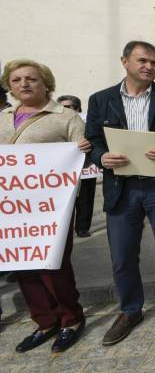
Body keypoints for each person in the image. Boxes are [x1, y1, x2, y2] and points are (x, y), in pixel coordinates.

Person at [86, 41, 155, 346]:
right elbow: (92, 139)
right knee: (122, 256)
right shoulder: (100, 100)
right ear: (125, 62)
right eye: (142, 60)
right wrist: (101, 157)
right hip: (122, 187)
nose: (148, 66)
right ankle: (130, 310)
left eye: (154, 62)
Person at [0, 59, 91, 353]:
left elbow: (83, 159)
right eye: (16, 80)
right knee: (22, 262)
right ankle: (44, 320)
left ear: (45, 83)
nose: (24, 84)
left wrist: (84, 151)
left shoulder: (65, 117)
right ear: (9, 86)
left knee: (54, 263)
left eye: (31, 79)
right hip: (11, 206)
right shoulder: (2, 118)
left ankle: (71, 319)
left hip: (52, 206)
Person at [56, 95, 96, 238]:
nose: (65, 110)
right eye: (61, 106)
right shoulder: (54, 121)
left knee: (85, 199)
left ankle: (82, 228)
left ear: (78, 108)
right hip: (62, 171)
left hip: (86, 169)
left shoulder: (87, 121)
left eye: (69, 107)